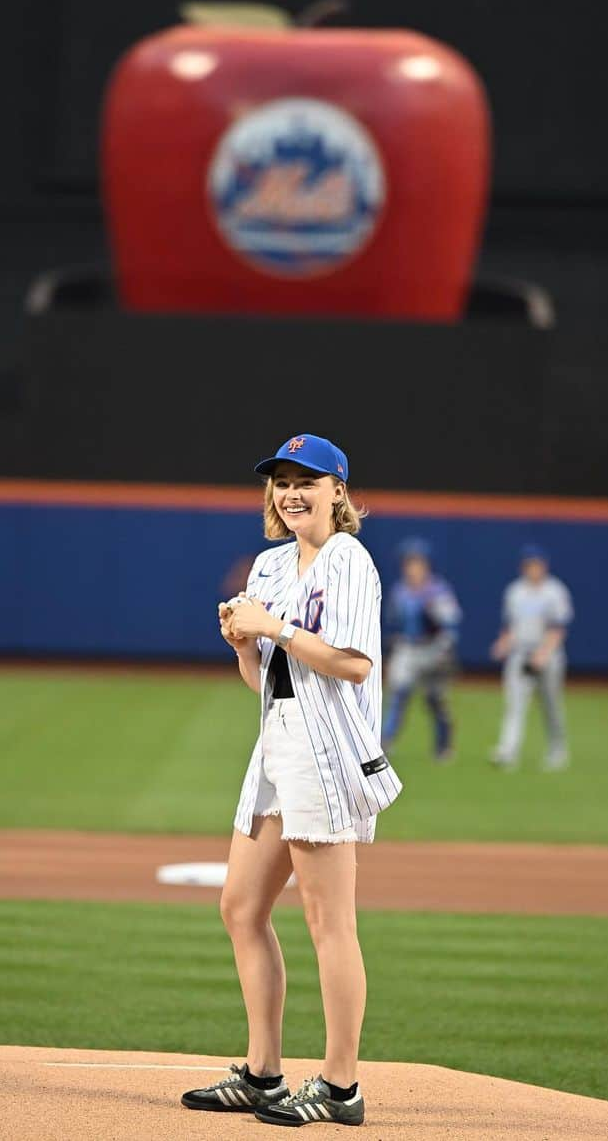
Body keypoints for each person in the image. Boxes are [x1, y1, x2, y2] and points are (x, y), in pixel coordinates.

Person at [181, 432, 402, 1129]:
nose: (291, 491)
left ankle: (341, 1087)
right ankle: (263, 1073)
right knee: (240, 908)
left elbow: (354, 664)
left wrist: (271, 626)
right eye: (281, 480)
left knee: (327, 921)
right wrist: (245, 646)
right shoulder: (273, 565)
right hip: (277, 746)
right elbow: (264, 682)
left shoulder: (348, 561)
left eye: (308, 479)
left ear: (339, 491)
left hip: (328, 753)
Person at [489, 543, 573, 770]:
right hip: (520, 653)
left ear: (544, 566)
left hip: (548, 655)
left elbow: (558, 628)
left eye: (536, 564)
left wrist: (542, 655)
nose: (532, 568)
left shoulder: (555, 591)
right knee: (514, 705)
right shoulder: (515, 591)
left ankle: (558, 750)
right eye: (529, 564)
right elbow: (509, 626)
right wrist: (503, 644)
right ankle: (508, 751)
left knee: (551, 705)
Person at [381, 538, 462, 761]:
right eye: (409, 563)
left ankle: (444, 746)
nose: (413, 568)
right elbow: (395, 621)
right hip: (408, 648)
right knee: (397, 695)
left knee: (435, 700)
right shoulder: (400, 591)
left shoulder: (437, 590)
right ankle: (384, 742)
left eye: (417, 563)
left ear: (426, 565)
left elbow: (451, 621)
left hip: (433, 649)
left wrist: (444, 647)